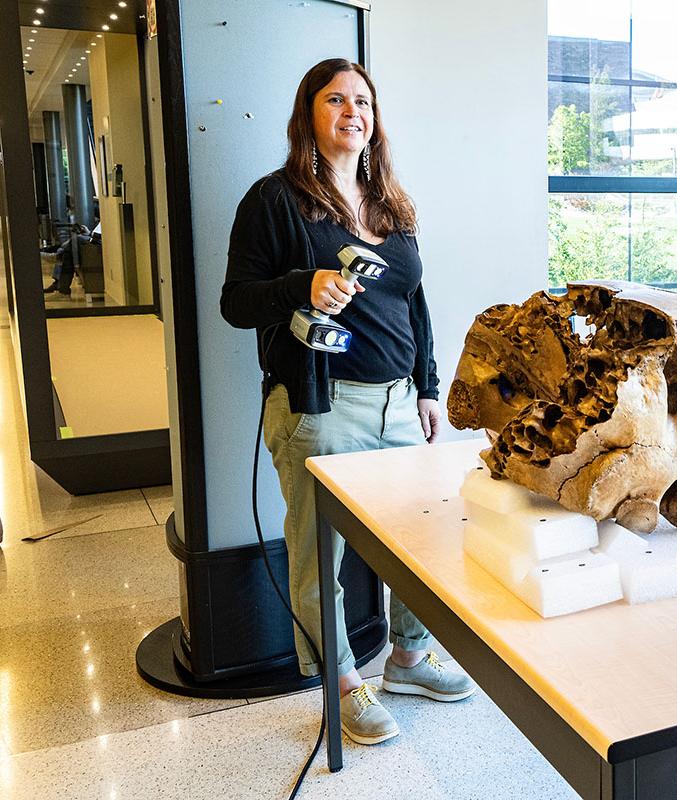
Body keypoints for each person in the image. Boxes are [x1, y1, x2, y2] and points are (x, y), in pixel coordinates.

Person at [220, 58, 474, 746]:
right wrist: (302, 285)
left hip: (398, 404)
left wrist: (427, 385)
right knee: (318, 558)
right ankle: (341, 686)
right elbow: (235, 303)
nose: (352, 112)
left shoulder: (390, 203)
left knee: (423, 539)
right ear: (309, 113)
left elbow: (414, 303)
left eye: (363, 101)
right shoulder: (275, 200)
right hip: (319, 409)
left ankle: (408, 660)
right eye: (336, 100)